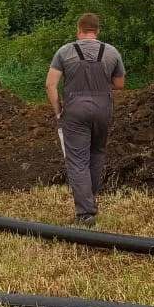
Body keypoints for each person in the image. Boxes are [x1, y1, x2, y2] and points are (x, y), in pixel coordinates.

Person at [46, 13, 126, 226]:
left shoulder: (65, 52)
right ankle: (90, 200)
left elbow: (50, 84)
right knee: (97, 154)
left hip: (75, 111)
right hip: (103, 110)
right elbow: (119, 84)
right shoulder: (111, 52)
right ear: (97, 30)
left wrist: (58, 110)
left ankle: (85, 213)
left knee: (77, 160)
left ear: (78, 30)